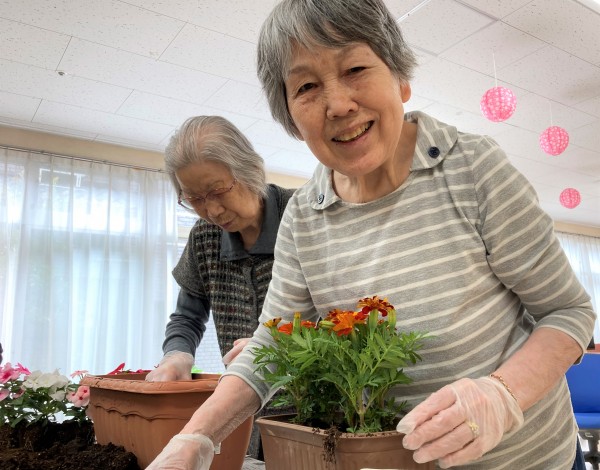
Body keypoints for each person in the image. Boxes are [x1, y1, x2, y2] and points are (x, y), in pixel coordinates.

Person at [146, 1, 597, 469]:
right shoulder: (303, 217)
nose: (339, 105)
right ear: (291, 117)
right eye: (306, 87)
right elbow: (272, 343)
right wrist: (195, 437)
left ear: (400, 77)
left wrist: (503, 394)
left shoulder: (472, 168)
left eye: (355, 68)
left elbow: (568, 311)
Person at [144, 115, 295, 460]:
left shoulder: (300, 217)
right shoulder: (204, 237)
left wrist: (276, 346)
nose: (211, 210)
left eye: (217, 191)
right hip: (243, 413)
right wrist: (177, 354)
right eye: (194, 198)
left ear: (250, 170)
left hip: (312, 413)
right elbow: (187, 316)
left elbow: (343, 313)